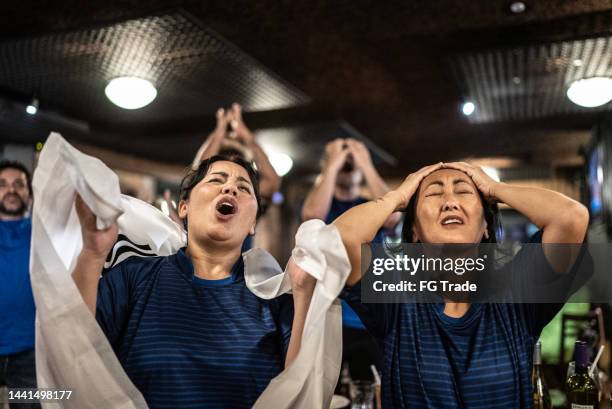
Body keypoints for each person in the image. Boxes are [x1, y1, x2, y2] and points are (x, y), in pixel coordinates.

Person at [333, 161, 591, 408]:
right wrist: (397, 197)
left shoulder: (517, 293)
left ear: (486, 228)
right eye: (433, 194)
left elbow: (571, 218)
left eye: (464, 191)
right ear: (414, 232)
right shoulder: (396, 299)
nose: (449, 202)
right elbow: (342, 238)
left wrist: (494, 188)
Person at [71, 154, 316, 409]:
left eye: (244, 188)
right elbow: (75, 350)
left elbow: (300, 393)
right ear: (184, 207)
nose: (230, 188)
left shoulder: (275, 297)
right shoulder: (135, 277)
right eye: (216, 180)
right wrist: (92, 253)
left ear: (253, 223)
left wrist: (303, 291)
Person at [302, 138, 401, 381]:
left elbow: (393, 217)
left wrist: (365, 163)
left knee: (369, 389)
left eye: (351, 162)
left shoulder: (371, 208)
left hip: (369, 319)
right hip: (327, 318)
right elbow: (312, 216)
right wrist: (332, 164)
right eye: (341, 161)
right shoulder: (322, 205)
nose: (347, 162)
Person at [0, 160, 40, 409]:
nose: (11, 190)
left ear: (29, 192)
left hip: (31, 349)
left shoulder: (43, 233)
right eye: (2, 185)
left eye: (18, 184)